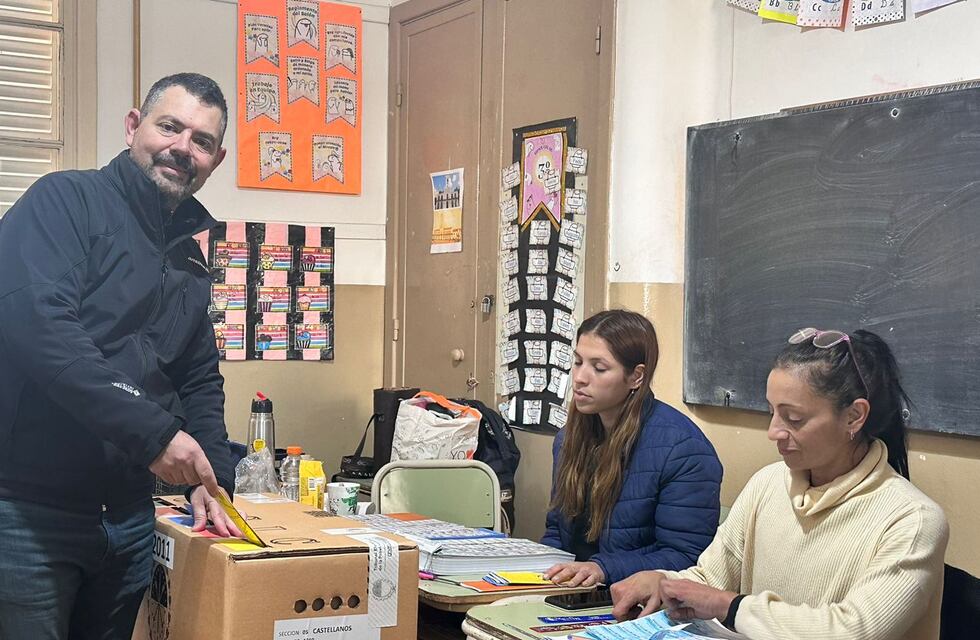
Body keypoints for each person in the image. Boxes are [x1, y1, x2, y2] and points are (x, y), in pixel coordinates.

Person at [0, 73, 244, 639]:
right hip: (30, 513)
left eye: (202, 141)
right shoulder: (64, 202)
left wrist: (211, 478)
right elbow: (42, 328)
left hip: (129, 520)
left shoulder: (189, 259)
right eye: (170, 126)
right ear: (134, 126)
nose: (183, 147)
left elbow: (198, 378)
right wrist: (155, 435)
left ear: (215, 158)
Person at [610, 328, 949, 640]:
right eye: (771, 411)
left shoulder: (913, 519)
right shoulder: (768, 483)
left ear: (854, 416)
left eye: (794, 418)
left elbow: (853, 630)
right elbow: (711, 579)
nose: (774, 432)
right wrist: (664, 581)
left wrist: (732, 607)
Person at [541, 310, 723, 587]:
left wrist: (602, 568)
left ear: (636, 377)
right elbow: (557, 529)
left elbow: (686, 556)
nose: (579, 377)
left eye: (599, 368)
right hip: (572, 593)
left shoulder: (684, 450)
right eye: (577, 362)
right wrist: (546, 569)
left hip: (636, 603)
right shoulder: (568, 438)